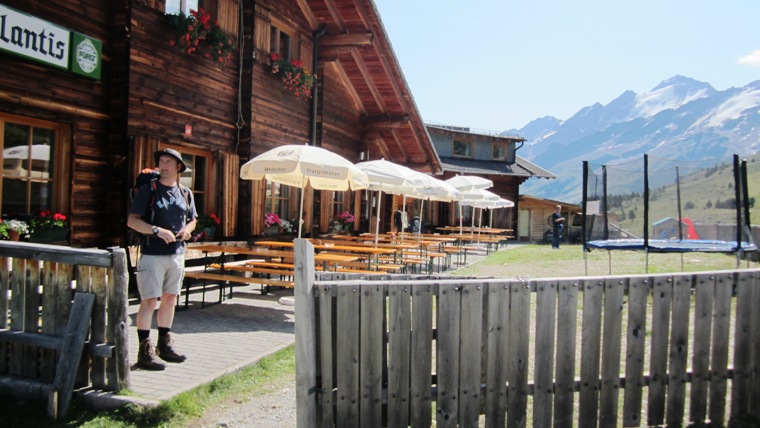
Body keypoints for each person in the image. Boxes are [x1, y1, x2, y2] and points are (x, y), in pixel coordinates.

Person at [128, 148, 197, 370]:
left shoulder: (185, 192)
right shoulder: (148, 190)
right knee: (149, 301)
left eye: (168, 162)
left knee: (170, 299)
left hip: (177, 254)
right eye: (161, 161)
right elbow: (132, 221)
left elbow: (193, 220)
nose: (163, 165)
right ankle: (144, 351)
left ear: (178, 167)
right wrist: (156, 230)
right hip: (152, 255)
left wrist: (187, 230)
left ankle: (164, 345)